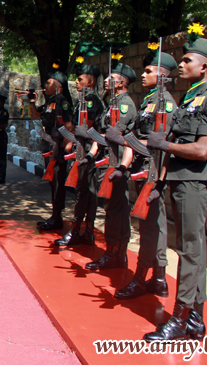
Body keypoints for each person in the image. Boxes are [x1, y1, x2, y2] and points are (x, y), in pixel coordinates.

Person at [143, 28, 207, 341]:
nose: (180, 65)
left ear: (204, 66)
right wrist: (161, 179)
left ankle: (180, 318)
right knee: (193, 250)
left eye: (187, 60)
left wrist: (163, 145)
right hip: (180, 180)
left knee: (190, 251)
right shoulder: (190, 97)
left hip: (194, 181)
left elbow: (202, 149)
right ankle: (195, 319)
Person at [114, 43, 177, 300]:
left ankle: (140, 278)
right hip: (144, 170)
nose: (143, 74)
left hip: (153, 172)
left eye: (148, 71)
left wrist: (160, 181)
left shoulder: (166, 104)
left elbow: (164, 145)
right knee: (153, 225)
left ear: (162, 75)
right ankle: (159, 279)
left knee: (151, 227)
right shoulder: (150, 102)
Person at [85, 57, 137, 271]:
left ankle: (115, 253)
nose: (106, 80)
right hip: (109, 161)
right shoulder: (113, 103)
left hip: (116, 163)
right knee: (112, 208)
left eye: (112, 78)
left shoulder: (124, 104)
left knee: (116, 209)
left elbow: (115, 134)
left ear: (122, 82)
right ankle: (115, 252)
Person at [55, 59, 104, 247]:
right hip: (84, 149)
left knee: (83, 193)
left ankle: (77, 231)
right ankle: (87, 232)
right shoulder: (84, 100)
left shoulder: (90, 100)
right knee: (87, 192)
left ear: (90, 82)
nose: (76, 82)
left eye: (80, 79)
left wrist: (72, 135)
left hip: (89, 150)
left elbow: (86, 128)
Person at [31, 68, 74, 230]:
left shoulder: (63, 103)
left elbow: (69, 126)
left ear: (58, 86)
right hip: (49, 143)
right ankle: (55, 215)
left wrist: (65, 149)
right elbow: (37, 115)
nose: (45, 85)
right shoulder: (50, 102)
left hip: (58, 145)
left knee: (57, 181)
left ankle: (57, 217)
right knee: (52, 181)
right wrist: (32, 101)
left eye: (48, 83)